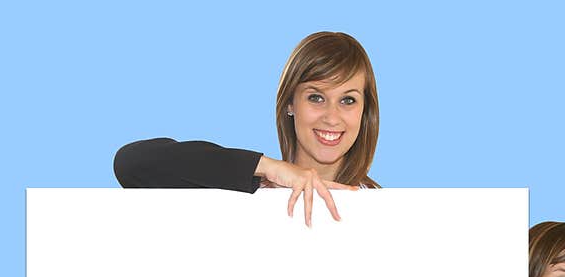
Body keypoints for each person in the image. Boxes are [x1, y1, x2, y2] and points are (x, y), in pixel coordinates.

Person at [113, 31, 380, 227]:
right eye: (316, 97)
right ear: (290, 103)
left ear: (364, 111)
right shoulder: (247, 193)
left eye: (348, 100)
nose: (332, 117)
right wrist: (268, 168)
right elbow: (131, 165)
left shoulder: (383, 209)